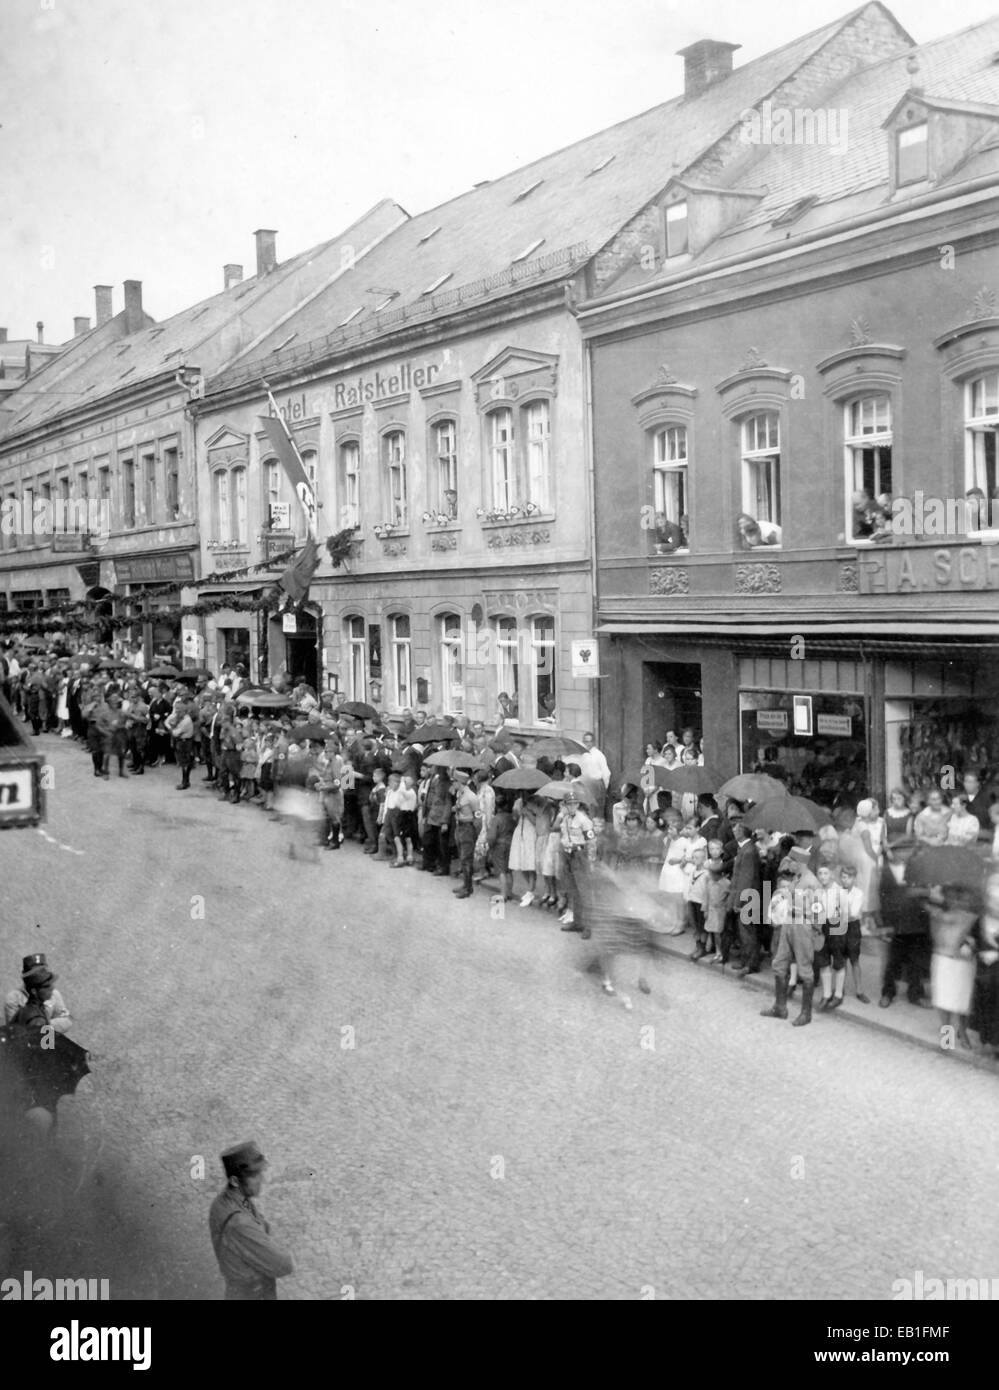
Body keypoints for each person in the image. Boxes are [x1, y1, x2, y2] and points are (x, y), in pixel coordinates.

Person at [208, 1141, 294, 1301]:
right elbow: (283, 1264)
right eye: (254, 1175)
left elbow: (262, 1225)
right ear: (234, 1181)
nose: (262, 1180)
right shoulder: (239, 1222)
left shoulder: (228, 1200)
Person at [727, 822, 764, 977]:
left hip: (747, 897)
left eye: (736, 828)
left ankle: (750, 963)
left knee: (747, 932)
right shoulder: (746, 848)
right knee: (744, 931)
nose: (734, 830)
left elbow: (745, 879)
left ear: (743, 830)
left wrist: (739, 901)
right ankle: (746, 959)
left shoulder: (748, 851)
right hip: (746, 895)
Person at [4, 952, 72, 1034]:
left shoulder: (53, 993)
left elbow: (66, 1021)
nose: (40, 974)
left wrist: (45, 1025)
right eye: (34, 972)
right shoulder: (14, 998)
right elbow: (14, 1030)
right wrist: (39, 1024)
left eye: (42, 970)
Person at [451, 769, 482, 900]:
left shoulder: (471, 797)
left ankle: (468, 888)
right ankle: (465, 884)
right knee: (462, 858)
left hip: (468, 828)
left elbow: (478, 817)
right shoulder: (460, 794)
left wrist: (474, 833)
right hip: (460, 826)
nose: (453, 784)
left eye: (454, 781)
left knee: (466, 859)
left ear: (460, 782)